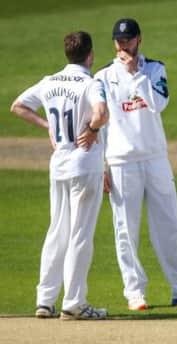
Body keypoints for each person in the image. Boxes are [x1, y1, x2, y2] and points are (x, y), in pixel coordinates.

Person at [10, 31, 109, 320]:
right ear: (90, 55)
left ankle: (45, 300)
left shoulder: (49, 82)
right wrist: (92, 130)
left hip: (59, 164)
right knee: (80, 234)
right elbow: (101, 113)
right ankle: (74, 303)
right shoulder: (92, 83)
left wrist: (48, 127)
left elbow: (17, 106)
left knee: (57, 231)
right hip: (84, 165)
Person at [95, 18, 177, 310]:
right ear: (114, 43)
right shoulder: (102, 77)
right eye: (119, 41)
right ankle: (134, 290)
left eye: (128, 40)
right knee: (126, 228)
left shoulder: (154, 70)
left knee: (168, 224)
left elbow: (158, 103)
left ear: (139, 39)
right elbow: (100, 125)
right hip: (121, 159)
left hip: (155, 157)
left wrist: (136, 74)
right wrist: (102, 165)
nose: (124, 46)